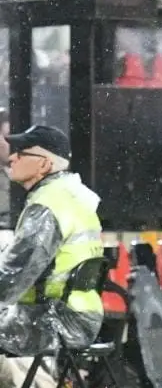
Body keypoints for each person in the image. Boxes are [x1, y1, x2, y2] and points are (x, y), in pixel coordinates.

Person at [0, 125, 104, 359]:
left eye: (22, 153)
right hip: (77, 316)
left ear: (44, 164)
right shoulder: (71, 196)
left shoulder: (46, 207)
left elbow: (12, 276)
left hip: (52, 320)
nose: (13, 158)